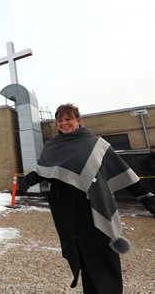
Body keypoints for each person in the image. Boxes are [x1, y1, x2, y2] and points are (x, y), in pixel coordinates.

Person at [20, 103, 155, 293]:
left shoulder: (95, 144)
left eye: (68, 119)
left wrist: (145, 196)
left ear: (78, 120)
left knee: (103, 254)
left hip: (92, 207)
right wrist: (29, 179)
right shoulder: (53, 146)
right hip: (66, 210)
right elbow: (46, 171)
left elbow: (122, 170)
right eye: (60, 120)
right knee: (82, 255)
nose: (64, 123)